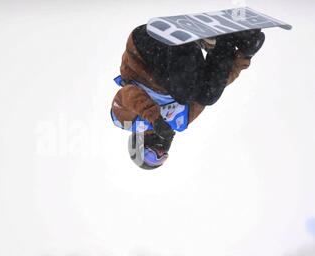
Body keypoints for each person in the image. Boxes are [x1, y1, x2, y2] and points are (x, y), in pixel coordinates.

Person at [111, 25, 265, 169]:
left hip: (145, 48)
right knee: (207, 96)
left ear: (138, 144)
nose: (159, 153)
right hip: (176, 57)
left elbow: (128, 94)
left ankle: (183, 40)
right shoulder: (180, 120)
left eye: (150, 156)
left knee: (185, 94)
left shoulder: (126, 121)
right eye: (162, 158)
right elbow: (216, 83)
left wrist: (155, 119)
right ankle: (226, 41)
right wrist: (244, 57)